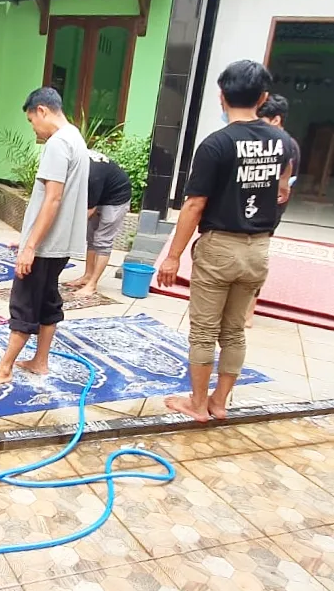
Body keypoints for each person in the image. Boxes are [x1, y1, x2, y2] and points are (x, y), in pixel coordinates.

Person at [157, 60, 292, 422]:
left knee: (203, 330)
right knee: (234, 330)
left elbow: (195, 204)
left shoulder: (217, 144)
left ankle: (198, 404)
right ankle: (220, 401)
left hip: (220, 247)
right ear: (263, 97)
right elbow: (283, 185)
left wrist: (173, 256)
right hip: (258, 248)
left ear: (221, 96)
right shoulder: (282, 142)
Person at [0, 87, 89, 387]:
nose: (33, 127)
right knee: (49, 301)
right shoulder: (76, 138)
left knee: (23, 303)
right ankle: (40, 361)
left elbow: (52, 199)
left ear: (42, 110)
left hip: (45, 247)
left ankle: (4, 368)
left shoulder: (57, 144)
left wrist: (30, 247)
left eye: (31, 120)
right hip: (60, 244)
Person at [245, 94, 301, 327]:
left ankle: (249, 310)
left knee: (256, 258)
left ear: (276, 120)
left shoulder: (287, 146)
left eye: (263, 120)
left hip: (268, 212)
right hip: (250, 206)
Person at [65, 150, 132, 298]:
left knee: (102, 240)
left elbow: (88, 210)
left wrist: (69, 229)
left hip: (117, 199)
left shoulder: (91, 174)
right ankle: (87, 276)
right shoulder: (77, 160)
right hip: (102, 194)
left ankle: (92, 284)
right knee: (91, 236)